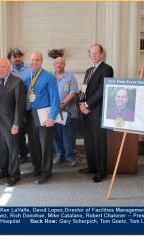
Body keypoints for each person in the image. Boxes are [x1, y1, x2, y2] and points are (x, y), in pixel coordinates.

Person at [78, 44, 114, 183]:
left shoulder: (107, 69)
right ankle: (92, 167)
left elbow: (102, 90)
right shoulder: (88, 70)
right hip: (86, 112)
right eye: (91, 53)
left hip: (98, 112)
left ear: (102, 54)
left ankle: (101, 172)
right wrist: (81, 104)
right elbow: (83, 89)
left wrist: (87, 104)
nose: (93, 55)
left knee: (99, 143)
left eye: (96, 53)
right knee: (89, 142)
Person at [23, 51, 60, 185]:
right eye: (32, 60)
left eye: (37, 60)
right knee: (33, 144)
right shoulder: (26, 77)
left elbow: (55, 99)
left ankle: (46, 172)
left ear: (41, 62)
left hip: (44, 115)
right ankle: (37, 168)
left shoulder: (49, 77)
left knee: (45, 145)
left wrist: (52, 117)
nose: (34, 62)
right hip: (30, 115)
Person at [0, 58, 26, 187]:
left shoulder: (17, 82)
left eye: (3, 67)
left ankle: (14, 174)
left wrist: (16, 124)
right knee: (2, 149)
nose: (0, 69)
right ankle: (4, 171)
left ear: (9, 67)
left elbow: (20, 106)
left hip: (12, 125)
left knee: (13, 150)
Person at [53, 57, 78, 167]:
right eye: (57, 63)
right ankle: (60, 155)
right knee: (57, 135)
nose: (59, 65)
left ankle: (70, 157)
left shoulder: (70, 77)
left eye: (61, 63)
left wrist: (63, 103)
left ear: (64, 65)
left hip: (66, 111)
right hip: (54, 112)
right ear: (54, 64)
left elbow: (73, 92)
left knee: (67, 135)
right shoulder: (50, 77)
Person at [7, 48, 30, 163]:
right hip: (15, 106)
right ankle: (23, 154)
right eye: (14, 56)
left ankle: (34, 153)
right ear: (10, 58)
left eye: (19, 56)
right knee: (18, 131)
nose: (17, 58)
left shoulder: (29, 68)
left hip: (28, 104)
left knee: (30, 130)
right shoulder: (8, 70)